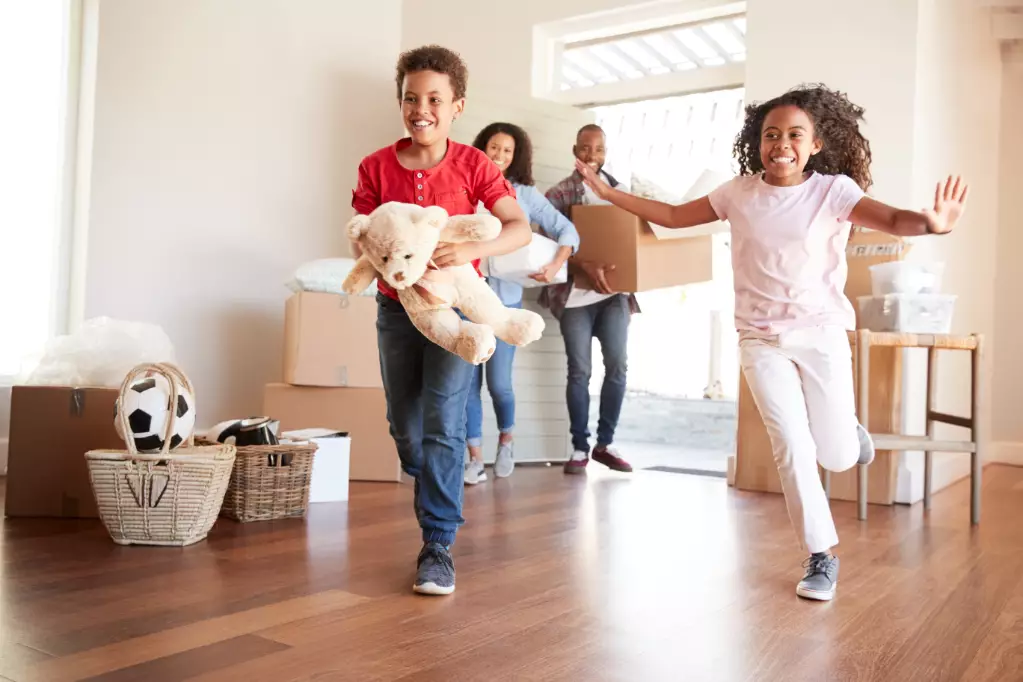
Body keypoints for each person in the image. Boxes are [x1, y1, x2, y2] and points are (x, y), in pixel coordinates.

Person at [575, 84, 968, 601]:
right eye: (770, 135)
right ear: (758, 143)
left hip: (820, 332)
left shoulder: (833, 192)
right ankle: (821, 554)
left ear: (815, 145)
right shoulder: (738, 192)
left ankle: (848, 431)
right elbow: (671, 217)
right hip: (759, 338)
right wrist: (607, 193)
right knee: (790, 443)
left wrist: (931, 225)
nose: (781, 143)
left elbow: (895, 220)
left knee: (839, 455)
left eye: (794, 135)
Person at [351, 45, 532, 596]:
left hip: (457, 315)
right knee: (405, 425)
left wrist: (467, 251)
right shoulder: (375, 166)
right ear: (400, 103)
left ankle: (437, 543)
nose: (421, 108)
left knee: (445, 424)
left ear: (457, 105)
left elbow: (518, 227)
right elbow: (361, 232)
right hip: (396, 310)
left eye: (434, 98)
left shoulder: (475, 165)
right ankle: (427, 472)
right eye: (411, 98)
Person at [462, 122, 580, 485]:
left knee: (499, 385)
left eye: (507, 151)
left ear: (516, 157)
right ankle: (475, 459)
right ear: (481, 148)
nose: (498, 156)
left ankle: (507, 441)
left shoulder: (524, 195)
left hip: (505, 306)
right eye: (493, 148)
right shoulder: (463, 188)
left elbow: (568, 231)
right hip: (465, 301)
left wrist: (556, 264)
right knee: (468, 385)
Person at [543, 124, 638, 475]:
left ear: (605, 152)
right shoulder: (556, 195)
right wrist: (583, 263)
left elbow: (634, 242)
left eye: (598, 150)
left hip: (613, 296)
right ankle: (579, 448)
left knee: (618, 366)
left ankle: (605, 444)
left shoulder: (620, 192)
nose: (591, 156)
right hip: (574, 298)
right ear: (574, 150)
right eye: (585, 148)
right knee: (579, 371)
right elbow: (546, 249)